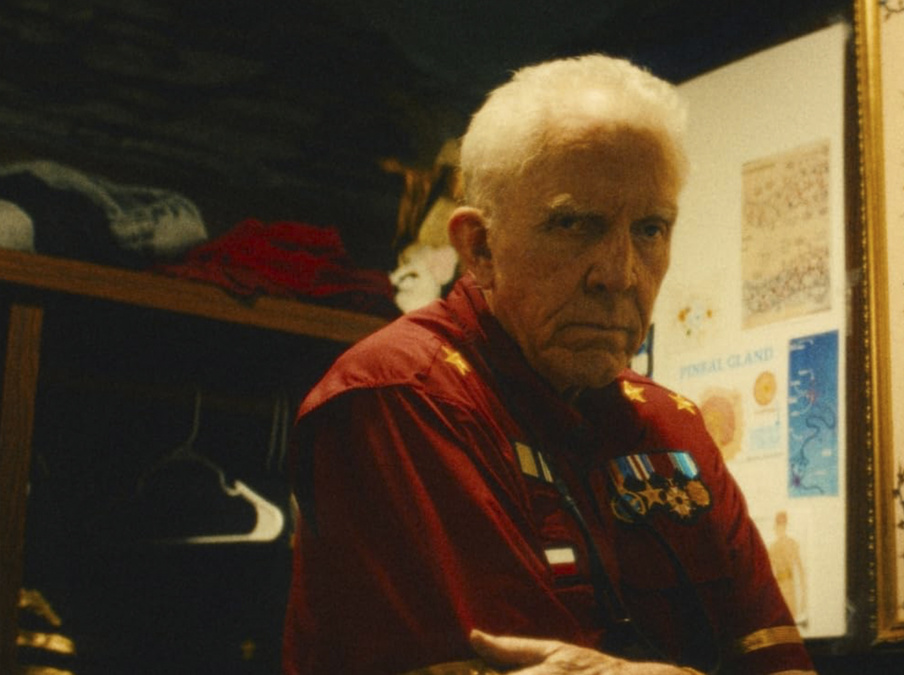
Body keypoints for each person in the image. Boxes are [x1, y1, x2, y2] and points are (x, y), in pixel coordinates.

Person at [283, 54, 817, 675]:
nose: (620, 274)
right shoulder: (402, 396)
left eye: (650, 229)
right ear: (480, 247)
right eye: (573, 225)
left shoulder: (675, 427)